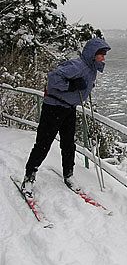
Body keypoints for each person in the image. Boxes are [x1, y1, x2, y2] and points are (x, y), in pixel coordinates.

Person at [21, 37, 111, 197]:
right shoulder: (77, 66)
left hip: (69, 108)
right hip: (54, 107)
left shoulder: (91, 69)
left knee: (69, 144)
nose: (103, 57)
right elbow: (53, 79)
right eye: (101, 54)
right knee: (43, 143)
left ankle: (68, 174)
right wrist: (70, 85)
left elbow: (83, 85)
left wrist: (86, 87)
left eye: (104, 54)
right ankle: (29, 177)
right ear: (92, 54)